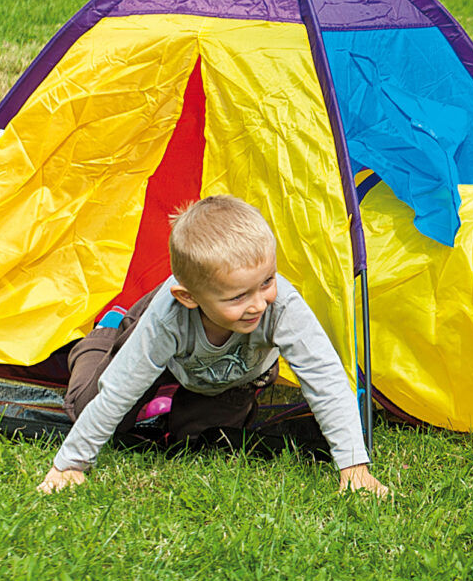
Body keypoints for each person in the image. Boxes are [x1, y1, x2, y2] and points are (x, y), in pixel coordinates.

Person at [38, 195, 385, 496]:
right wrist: (71, 464)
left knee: (202, 442)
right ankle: (102, 337)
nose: (258, 304)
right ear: (188, 297)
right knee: (91, 410)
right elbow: (119, 389)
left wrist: (354, 467)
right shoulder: (168, 317)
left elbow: (324, 377)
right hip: (160, 345)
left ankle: (180, 395)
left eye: (267, 281)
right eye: (238, 296)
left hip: (230, 373)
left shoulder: (282, 307)